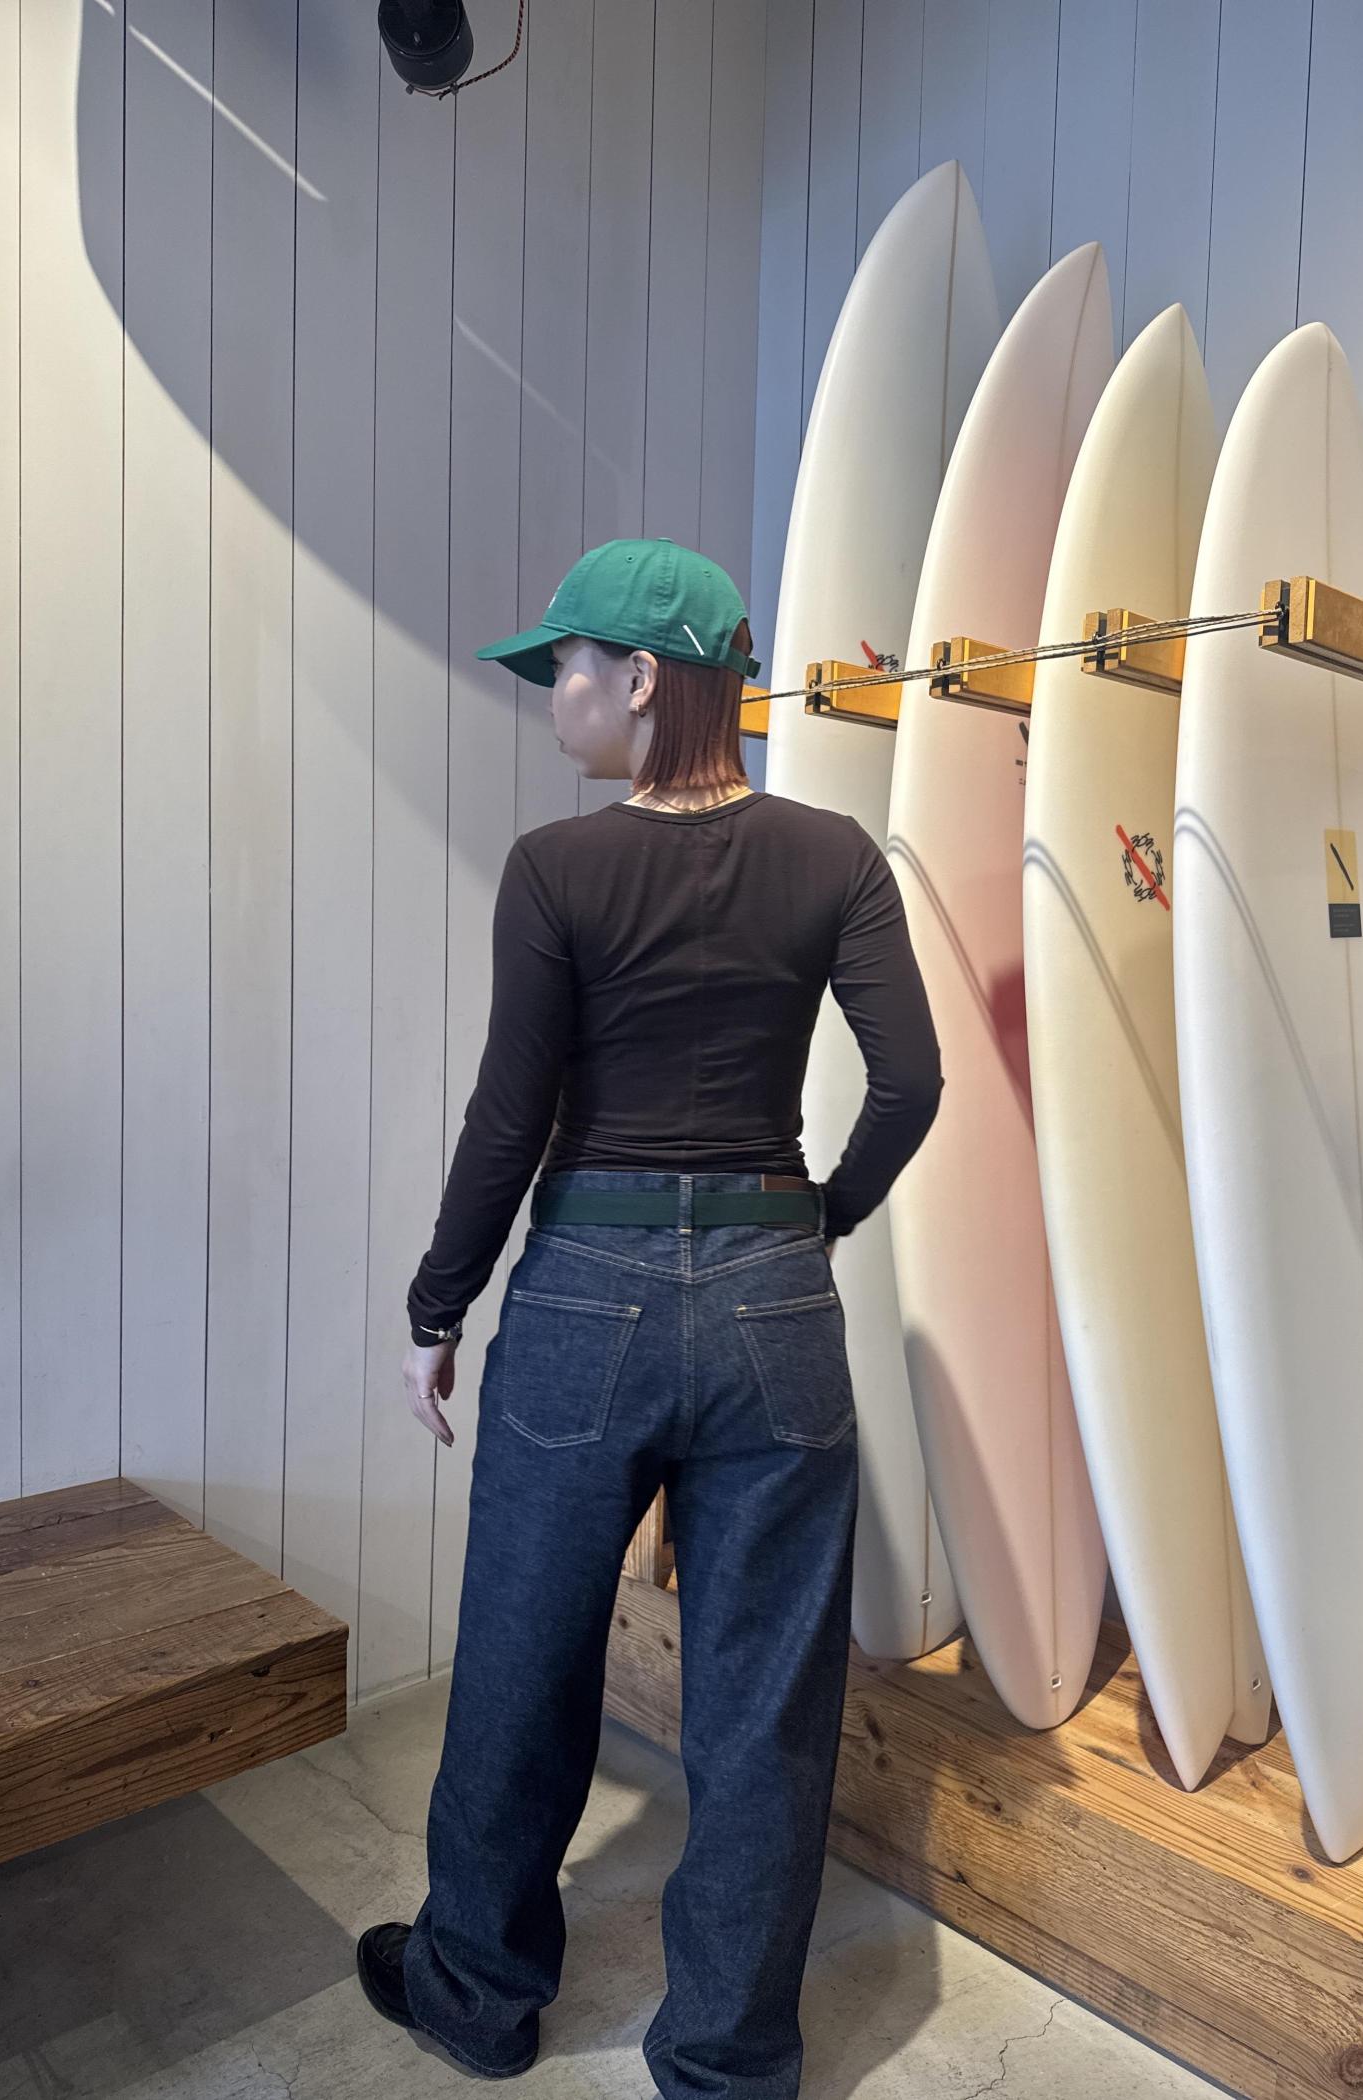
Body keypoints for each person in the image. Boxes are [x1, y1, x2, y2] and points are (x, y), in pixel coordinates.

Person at [355, 537, 943, 2098]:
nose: (550, 692)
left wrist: (437, 1307)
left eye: (564, 664)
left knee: (522, 1659)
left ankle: (476, 1996)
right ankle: (731, 2061)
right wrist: (817, 1218)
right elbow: (912, 1084)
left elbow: (510, 1119)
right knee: (764, 1705)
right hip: (773, 1298)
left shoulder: (557, 870)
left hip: (584, 1299)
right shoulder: (837, 858)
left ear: (640, 680)